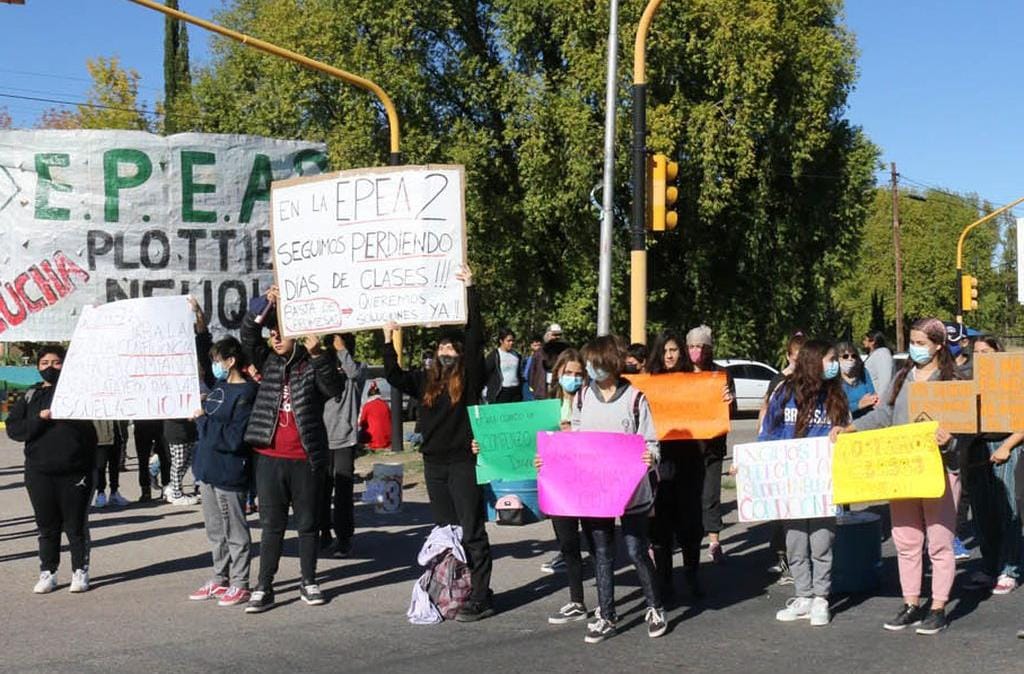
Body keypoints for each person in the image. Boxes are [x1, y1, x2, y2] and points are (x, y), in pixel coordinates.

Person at [834, 317, 961, 635]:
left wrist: (952, 439)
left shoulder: (952, 380)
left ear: (938, 345)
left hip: (940, 470)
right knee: (906, 539)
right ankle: (911, 603)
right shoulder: (902, 377)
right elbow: (884, 414)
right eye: (913, 342)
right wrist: (849, 429)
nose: (915, 348)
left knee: (940, 541)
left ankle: (938, 607)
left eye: (921, 343)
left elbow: (965, 426)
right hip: (903, 469)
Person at [382, 265, 495, 621]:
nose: (446, 350)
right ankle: (452, 585)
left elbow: (476, 336)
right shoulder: (425, 380)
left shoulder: (470, 377)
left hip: (462, 462)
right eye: (442, 345)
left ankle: (481, 593)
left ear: (460, 353)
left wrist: (471, 290)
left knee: (472, 529)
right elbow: (393, 375)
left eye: (452, 346)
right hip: (434, 465)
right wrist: (388, 339)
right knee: (447, 531)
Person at [240, 285, 345, 613]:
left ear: (298, 336)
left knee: (308, 523)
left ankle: (308, 580)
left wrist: (317, 355)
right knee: (271, 526)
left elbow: (334, 389)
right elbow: (248, 335)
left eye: (281, 333)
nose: (275, 338)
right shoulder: (268, 360)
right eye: (273, 332)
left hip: (305, 458)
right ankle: (264, 586)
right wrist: (266, 305)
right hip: (269, 459)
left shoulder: (312, 363)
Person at [557, 335, 665, 643]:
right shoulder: (582, 398)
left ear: (612, 364)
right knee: (601, 553)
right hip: (595, 491)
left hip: (631, 490)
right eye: (589, 363)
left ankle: (655, 606)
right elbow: (574, 439)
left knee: (635, 550)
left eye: (596, 363)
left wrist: (650, 455)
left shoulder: (635, 399)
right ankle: (606, 615)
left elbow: (651, 441)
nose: (591, 369)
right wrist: (552, 460)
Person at [761, 339, 848, 626]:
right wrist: (753, 464)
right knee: (796, 541)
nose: (836, 364)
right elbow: (768, 432)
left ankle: (821, 597)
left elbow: (849, 434)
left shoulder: (837, 396)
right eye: (831, 358)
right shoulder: (785, 392)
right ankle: (803, 595)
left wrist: (845, 433)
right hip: (791, 483)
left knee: (822, 540)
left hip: (824, 483)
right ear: (813, 361)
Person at [7, 345, 98, 593]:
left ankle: (80, 570)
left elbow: (92, 434)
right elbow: (14, 428)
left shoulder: (78, 394)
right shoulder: (29, 395)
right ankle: (48, 572)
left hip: (74, 472)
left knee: (75, 525)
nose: (50, 367)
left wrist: (89, 466)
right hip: (39, 472)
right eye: (44, 362)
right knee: (46, 525)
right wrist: (40, 419)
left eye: (56, 362)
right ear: (37, 366)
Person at [189, 336, 259, 607]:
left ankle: (241, 582)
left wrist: (203, 421)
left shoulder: (247, 393)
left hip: (229, 470)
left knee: (235, 530)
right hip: (207, 468)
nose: (215, 365)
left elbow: (234, 437)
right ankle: (220, 577)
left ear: (231, 361)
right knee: (215, 530)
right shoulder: (218, 387)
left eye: (218, 360)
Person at [645, 330, 710, 599]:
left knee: (690, 524)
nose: (669, 356)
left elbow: (712, 413)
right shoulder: (647, 384)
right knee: (660, 525)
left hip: (689, 460)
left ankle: (692, 576)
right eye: (664, 351)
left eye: (673, 350)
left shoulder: (695, 381)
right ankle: (665, 581)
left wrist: (724, 399)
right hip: (660, 462)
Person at [534, 349, 596, 622]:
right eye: (567, 373)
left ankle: (607, 599)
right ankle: (577, 600)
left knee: (597, 542)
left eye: (578, 374)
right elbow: (530, 441)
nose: (572, 378)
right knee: (568, 543)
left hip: (588, 479)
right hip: (557, 481)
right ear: (557, 373)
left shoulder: (593, 401)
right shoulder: (545, 405)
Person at [961, 336, 1022, 595]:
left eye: (986, 351)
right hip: (976, 449)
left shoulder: (1013, 381)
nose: (981, 356)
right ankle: (989, 566)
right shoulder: (970, 383)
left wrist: (1007, 446)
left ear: (998, 353)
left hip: (1005, 447)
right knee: (982, 511)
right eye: (977, 352)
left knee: (1006, 509)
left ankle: (1010, 568)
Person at [683, 325, 736, 564]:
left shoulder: (721, 374)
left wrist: (729, 400)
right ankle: (690, 537)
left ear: (709, 349)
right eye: (692, 346)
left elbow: (730, 410)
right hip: (685, 446)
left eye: (700, 347)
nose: (696, 351)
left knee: (711, 494)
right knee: (688, 495)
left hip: (713, 446)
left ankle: (714, 540)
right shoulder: (680, 374)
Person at [320, 332, 368, 559]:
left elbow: (355, 373)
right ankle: (322, 531)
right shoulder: (323, 368)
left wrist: (342, 351)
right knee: (319, 489)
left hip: (344, 438)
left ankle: (344, 538)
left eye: (339, 345)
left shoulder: (357, 368)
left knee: (343, 492)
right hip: (321, 438)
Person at [164, 297, 213, 506]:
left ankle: (197, 487)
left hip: (200, 417)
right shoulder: (167, 356)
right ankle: (174, 491)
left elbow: (202, 332)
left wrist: (198, 312)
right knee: (179, 459)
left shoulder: (199, 349)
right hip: (178, 420)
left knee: (196, 457)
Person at [835, 340, 878, 420]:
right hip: (845, 424)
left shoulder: (863, 372)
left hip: (867, 421)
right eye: (845, 356)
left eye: (853, 356)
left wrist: (874, 400)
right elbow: (835, 409)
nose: (850, 359)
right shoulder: (834, 380)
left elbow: (872, 395)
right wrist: (858, 405)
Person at [92, 420, 129, 508]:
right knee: (100, 466)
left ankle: (114, 492)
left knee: (115, 465)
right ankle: (100, 493)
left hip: (116, 433)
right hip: (100, 435)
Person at [484, 328, 523, 403]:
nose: (511, 343)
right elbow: (486, 373)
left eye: (512, 341)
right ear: (501, 341)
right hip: (501, 392)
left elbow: (520, 373)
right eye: (508, 341)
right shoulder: (494, 356)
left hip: (515, 391)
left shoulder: (517, 355)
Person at [134, 419, 169, 502]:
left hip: (161, 422)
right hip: (141, 423)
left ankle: (166, 487)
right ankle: (145, 490)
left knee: (165, 458)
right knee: (143, 460)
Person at [358, 380, 392, 450]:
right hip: (387, 438)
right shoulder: (385, 404)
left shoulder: (367, 405)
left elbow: (361, 422)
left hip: (373, 438)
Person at [862, 330, 894, 398]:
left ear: (873, 341)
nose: (863, 342)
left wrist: (880, 399)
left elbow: (885, 380)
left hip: (878, 400)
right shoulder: (874, 354)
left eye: (865, 339)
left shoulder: (882, 354)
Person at [522, 335, 543, 401]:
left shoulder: (543, 359)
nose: (537, 348)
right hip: (525, 384)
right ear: (531, 345)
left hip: (536, 384)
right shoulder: (527, 358)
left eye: (539, 345)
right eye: (535, 345)